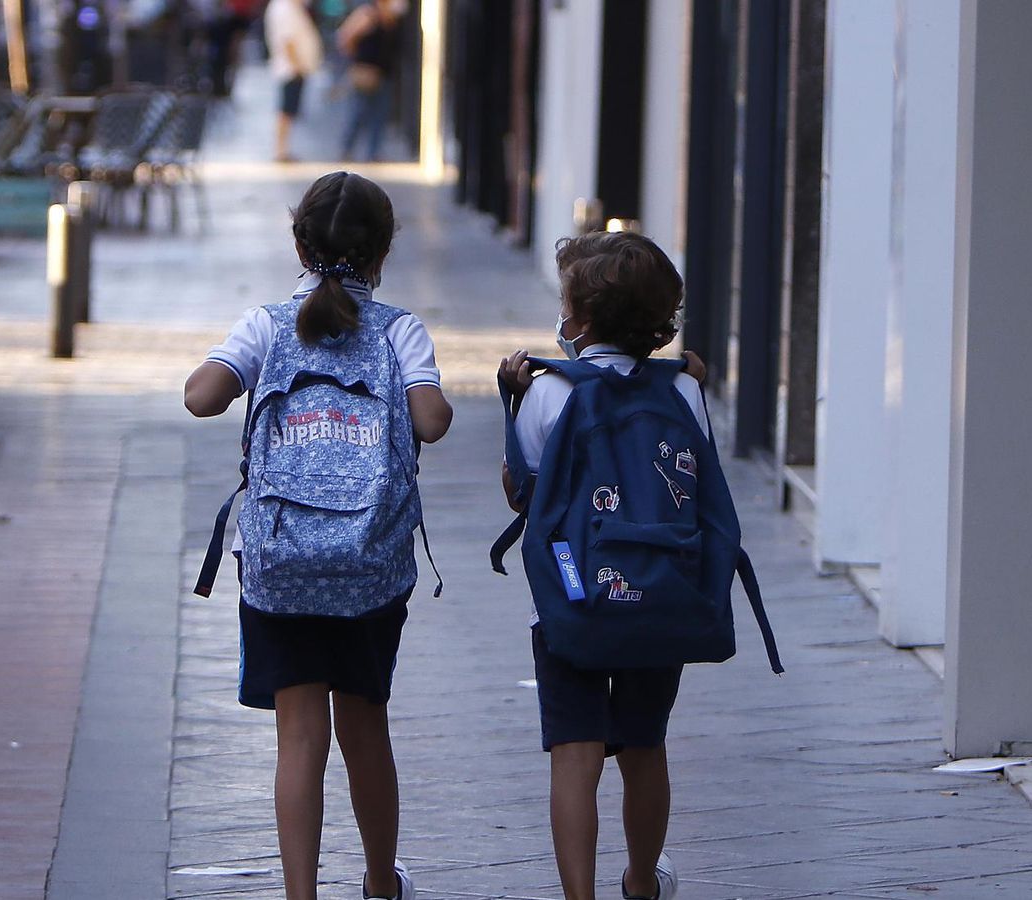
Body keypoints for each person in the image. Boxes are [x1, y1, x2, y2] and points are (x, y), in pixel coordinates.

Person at [184, 171, 452, 900]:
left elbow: (200, 397)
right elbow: (431, 421)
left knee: (299, 740)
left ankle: (300, 893)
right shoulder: (400, 331)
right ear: (383, 251)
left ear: (298, 243)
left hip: (281, 560)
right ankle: (377, 883)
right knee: (366, 729)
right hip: (370, 564)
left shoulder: (266, 325)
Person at [497, 232, 706, 900]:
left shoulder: (548, 392)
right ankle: (642, 881)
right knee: (644, 748)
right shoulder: (684, 392)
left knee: (574, 755)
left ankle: (578, 896)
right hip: (657, 595)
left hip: (570, 599)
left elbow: (521, 490)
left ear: (579, 319)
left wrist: (514, 399)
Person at [336, 0, 405, 160]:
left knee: (380, 114)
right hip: (366, 71)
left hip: (385, 73)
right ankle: (346, 148)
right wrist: (357, 60)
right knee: (357, 112)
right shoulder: (368, 14)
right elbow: (345, 37)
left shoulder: (393, 17)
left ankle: (374, 151)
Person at [264, 0, 324, 161]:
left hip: (294, 68)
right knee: (286, 111)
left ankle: (282, 149)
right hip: (291, 69)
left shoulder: (289, 7)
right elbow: (287, 40)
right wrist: (297, 65)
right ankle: (280, 150)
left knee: (288, 111)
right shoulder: (284, 8)